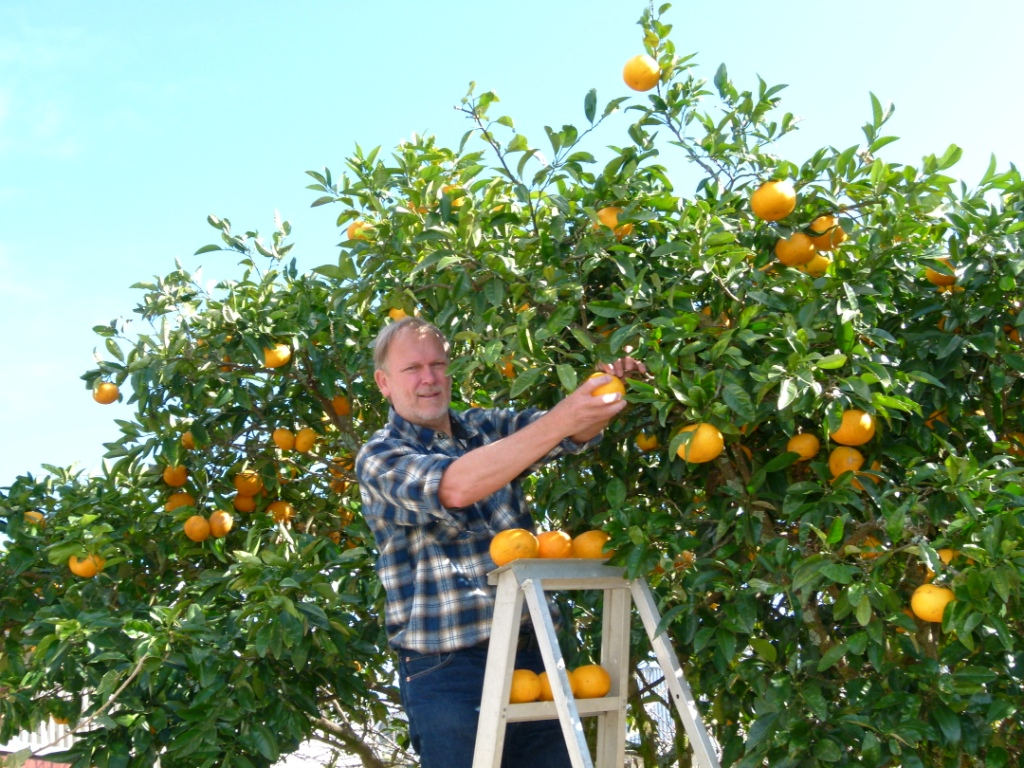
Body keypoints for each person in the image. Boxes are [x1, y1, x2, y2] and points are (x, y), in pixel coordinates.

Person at [355, 316, 644, 768]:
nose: (429, 378)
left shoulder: (483, 428)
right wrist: (562, 419)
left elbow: (567, 432)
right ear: (384, 382)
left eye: (438, 364)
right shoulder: (380, 454)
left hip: (532, 654)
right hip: (449, 669)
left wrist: (601, 395)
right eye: (413, 369)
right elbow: (453, 487)